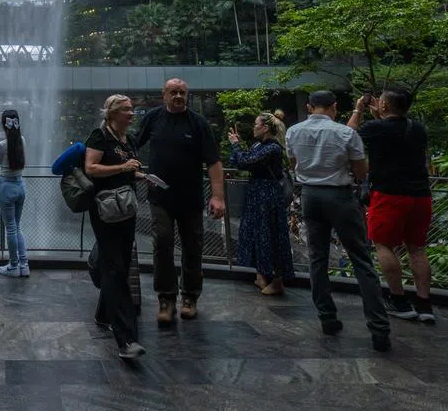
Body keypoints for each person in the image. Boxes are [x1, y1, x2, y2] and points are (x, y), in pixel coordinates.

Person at [288, 91, 390, 351]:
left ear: (309, 106)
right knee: (361, 259)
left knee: (317, 257)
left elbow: (293, 163)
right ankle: (378, 328)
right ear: (334, 107)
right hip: (340, 197)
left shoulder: (293, 131)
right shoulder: (346, 134)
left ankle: (327, 317)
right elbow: (360, 171)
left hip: (310, 195)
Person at [134, 78, 223, 324]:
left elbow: (214, 162)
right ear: (163, 94)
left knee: (192, 247)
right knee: (162, 243)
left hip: (191, 198)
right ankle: (166, 298)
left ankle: (190, 297)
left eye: (182, 92)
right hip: (160, 197)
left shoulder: (198, 123)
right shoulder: (153, 118)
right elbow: (132, 145)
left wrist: (217, 196)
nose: (178, 96)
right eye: (173, 92)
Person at [348, 89, 435, 324]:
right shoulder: (417, 128)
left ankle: (398, 300)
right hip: (421, 195)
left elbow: (347, 134)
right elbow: (394, 138)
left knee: (383, 244)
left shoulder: (378, 129)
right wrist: (380, 116)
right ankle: (424, 304)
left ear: (384, 106)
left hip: (389, 194)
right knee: (417, 248)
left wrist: (359, 109)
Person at [86, 94, 147, 360]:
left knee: (119, 262)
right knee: (115, 269)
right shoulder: (100, 137)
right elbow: (91, 168)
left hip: (127, 208)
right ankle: (126, 340)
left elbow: (128, 169)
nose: (131, 114)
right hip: (106, 210)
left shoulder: (129, 139)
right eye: (126, 110)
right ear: (112, 113)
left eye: (132, 109)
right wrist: (123, 166)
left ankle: (103, 313)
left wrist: (140, 175)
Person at [227, 112, 294, 296]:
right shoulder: (259, 145)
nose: (254, 127)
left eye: (256, 124)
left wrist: (236, 145)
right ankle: (261, 275)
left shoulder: (273, 148)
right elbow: (237, 161)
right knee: (257, 233)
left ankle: (278, 280)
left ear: (265, 128)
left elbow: (244, 161)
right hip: (257, 195)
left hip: (268, 196)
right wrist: (237, 148)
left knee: (271, 234)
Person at [0, 108, 29, 277]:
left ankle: (13, 266)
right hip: (20, 186)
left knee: (10, 228)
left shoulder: (2, 145)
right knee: (17, 227)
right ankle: (24, 265)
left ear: (4, 125)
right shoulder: (22, 140)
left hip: (7, 187)